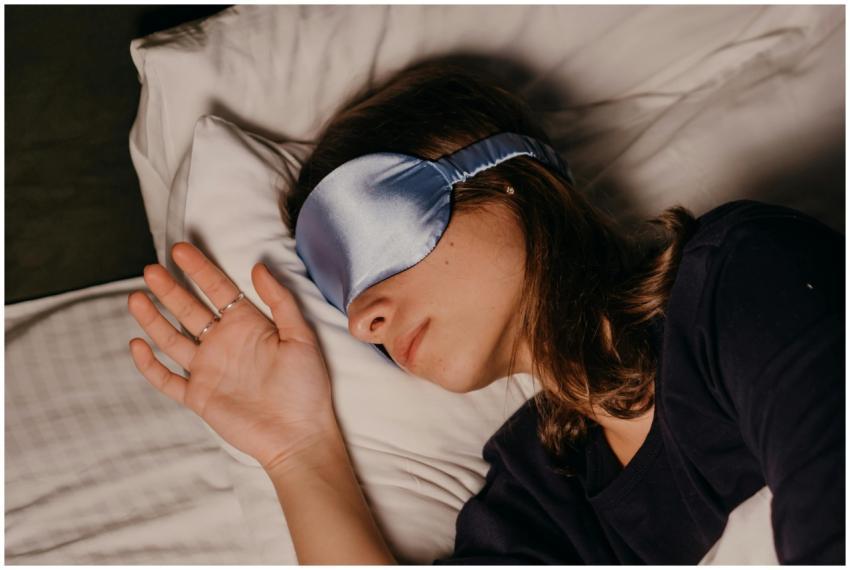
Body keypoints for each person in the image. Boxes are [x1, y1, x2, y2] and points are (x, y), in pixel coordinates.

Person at [126, 61, 845, 564]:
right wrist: (297, 450)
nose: (361, 321)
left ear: (506, 180)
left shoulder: (737, 277)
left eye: (372, 242)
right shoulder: (542, 489)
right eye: (338, 294)